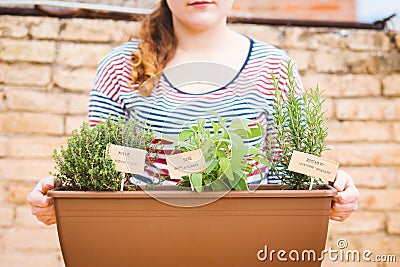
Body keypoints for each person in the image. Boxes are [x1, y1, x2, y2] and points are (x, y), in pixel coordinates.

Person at [28, 0, 359, 225]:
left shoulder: (272, 67)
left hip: (252, 238)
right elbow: (108, 168)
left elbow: (291, 159)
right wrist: (61, 191)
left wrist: (333, 179)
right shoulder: (123, 67)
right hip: (146, 240)